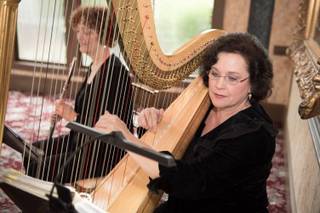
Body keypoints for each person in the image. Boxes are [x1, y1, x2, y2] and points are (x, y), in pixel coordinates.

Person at [94, 32, 278, 212]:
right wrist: (155, 124)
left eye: (232, 78)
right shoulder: (206, 106)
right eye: (215, 73)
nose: (219, 84)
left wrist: (126, 138)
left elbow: (192, 181)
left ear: (253, 83)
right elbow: (171, 150)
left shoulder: (254, 135)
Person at [24, 6, 133, 183]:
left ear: (103, 35)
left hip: (102, 152)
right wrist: (65, 113)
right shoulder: (94, 66)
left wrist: (71, 115)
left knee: (39, 166)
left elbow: (105, 129)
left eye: (87, 32)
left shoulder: (114, 72)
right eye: (79, 31)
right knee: (31, 152)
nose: (80, 37)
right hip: (82, 140)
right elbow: (88, 110)